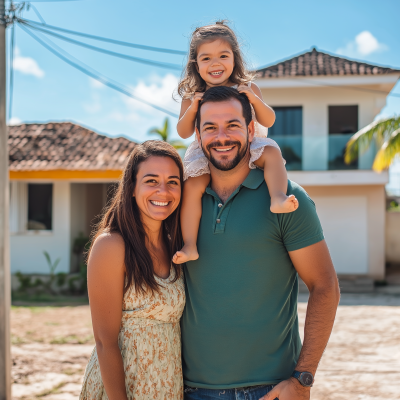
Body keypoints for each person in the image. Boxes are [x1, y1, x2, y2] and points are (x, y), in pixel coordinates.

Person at [181, 86, 340, 400]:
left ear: (251, 129)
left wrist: (303, 378)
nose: (221, 136)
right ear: (198, 136)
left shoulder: (288, 199)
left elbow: (325, 285)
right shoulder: (182, 203)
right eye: (210, 127)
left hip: (269, 391)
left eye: (233, 125)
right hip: (189, 390)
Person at [173, 21, 298, 265]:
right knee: (192, 188)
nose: (215, 63)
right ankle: (189, 244)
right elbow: (183, 131)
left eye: (223, 55)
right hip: (206, 153)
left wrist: (252, 98)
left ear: (234, 58)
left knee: (271, 152)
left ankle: (278, 197)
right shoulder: (192, 96)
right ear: (195, 64)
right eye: (206, 58)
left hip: (248, 146)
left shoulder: (247, 87)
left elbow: (269, 119)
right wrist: (194, 107)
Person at [80, 141, 185, 400]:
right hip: (123, 388)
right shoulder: (111, 245)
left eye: (173, 182)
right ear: (131, 189)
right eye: (151, 181)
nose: (164, 191)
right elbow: (105, 342)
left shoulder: (176, 246)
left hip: (167, 386)